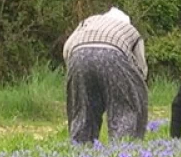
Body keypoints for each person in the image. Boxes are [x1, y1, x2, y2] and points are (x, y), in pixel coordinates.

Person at [62, 7, 148, 145]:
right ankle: (123, 152)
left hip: (77, 55)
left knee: (83, 111)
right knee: (125, 110)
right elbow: (141, 69)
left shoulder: (87, 22)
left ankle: (80, 151)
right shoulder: (130, 31)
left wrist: (76, 77)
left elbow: (67, 48)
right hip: (114, 55)